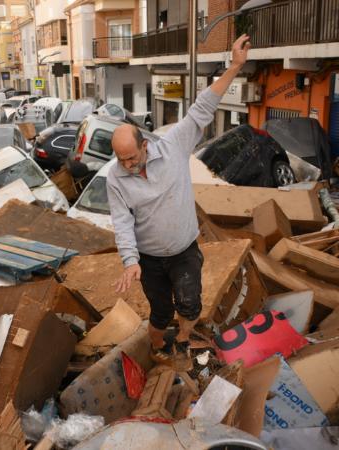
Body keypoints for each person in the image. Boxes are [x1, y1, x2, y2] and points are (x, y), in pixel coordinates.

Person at [106, 34, 251, 368]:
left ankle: (183, 340)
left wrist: (234, 67)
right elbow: (122, 219)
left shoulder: (172, 146)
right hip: (150, 258)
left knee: (189, 305)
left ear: (144, 145)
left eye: (131, 157)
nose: (127, 165)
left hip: (185, 250)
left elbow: (202, 108)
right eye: (121, 160)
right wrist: (130, 261)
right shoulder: (116, 177)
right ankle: (157, 349)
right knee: (160, 311)